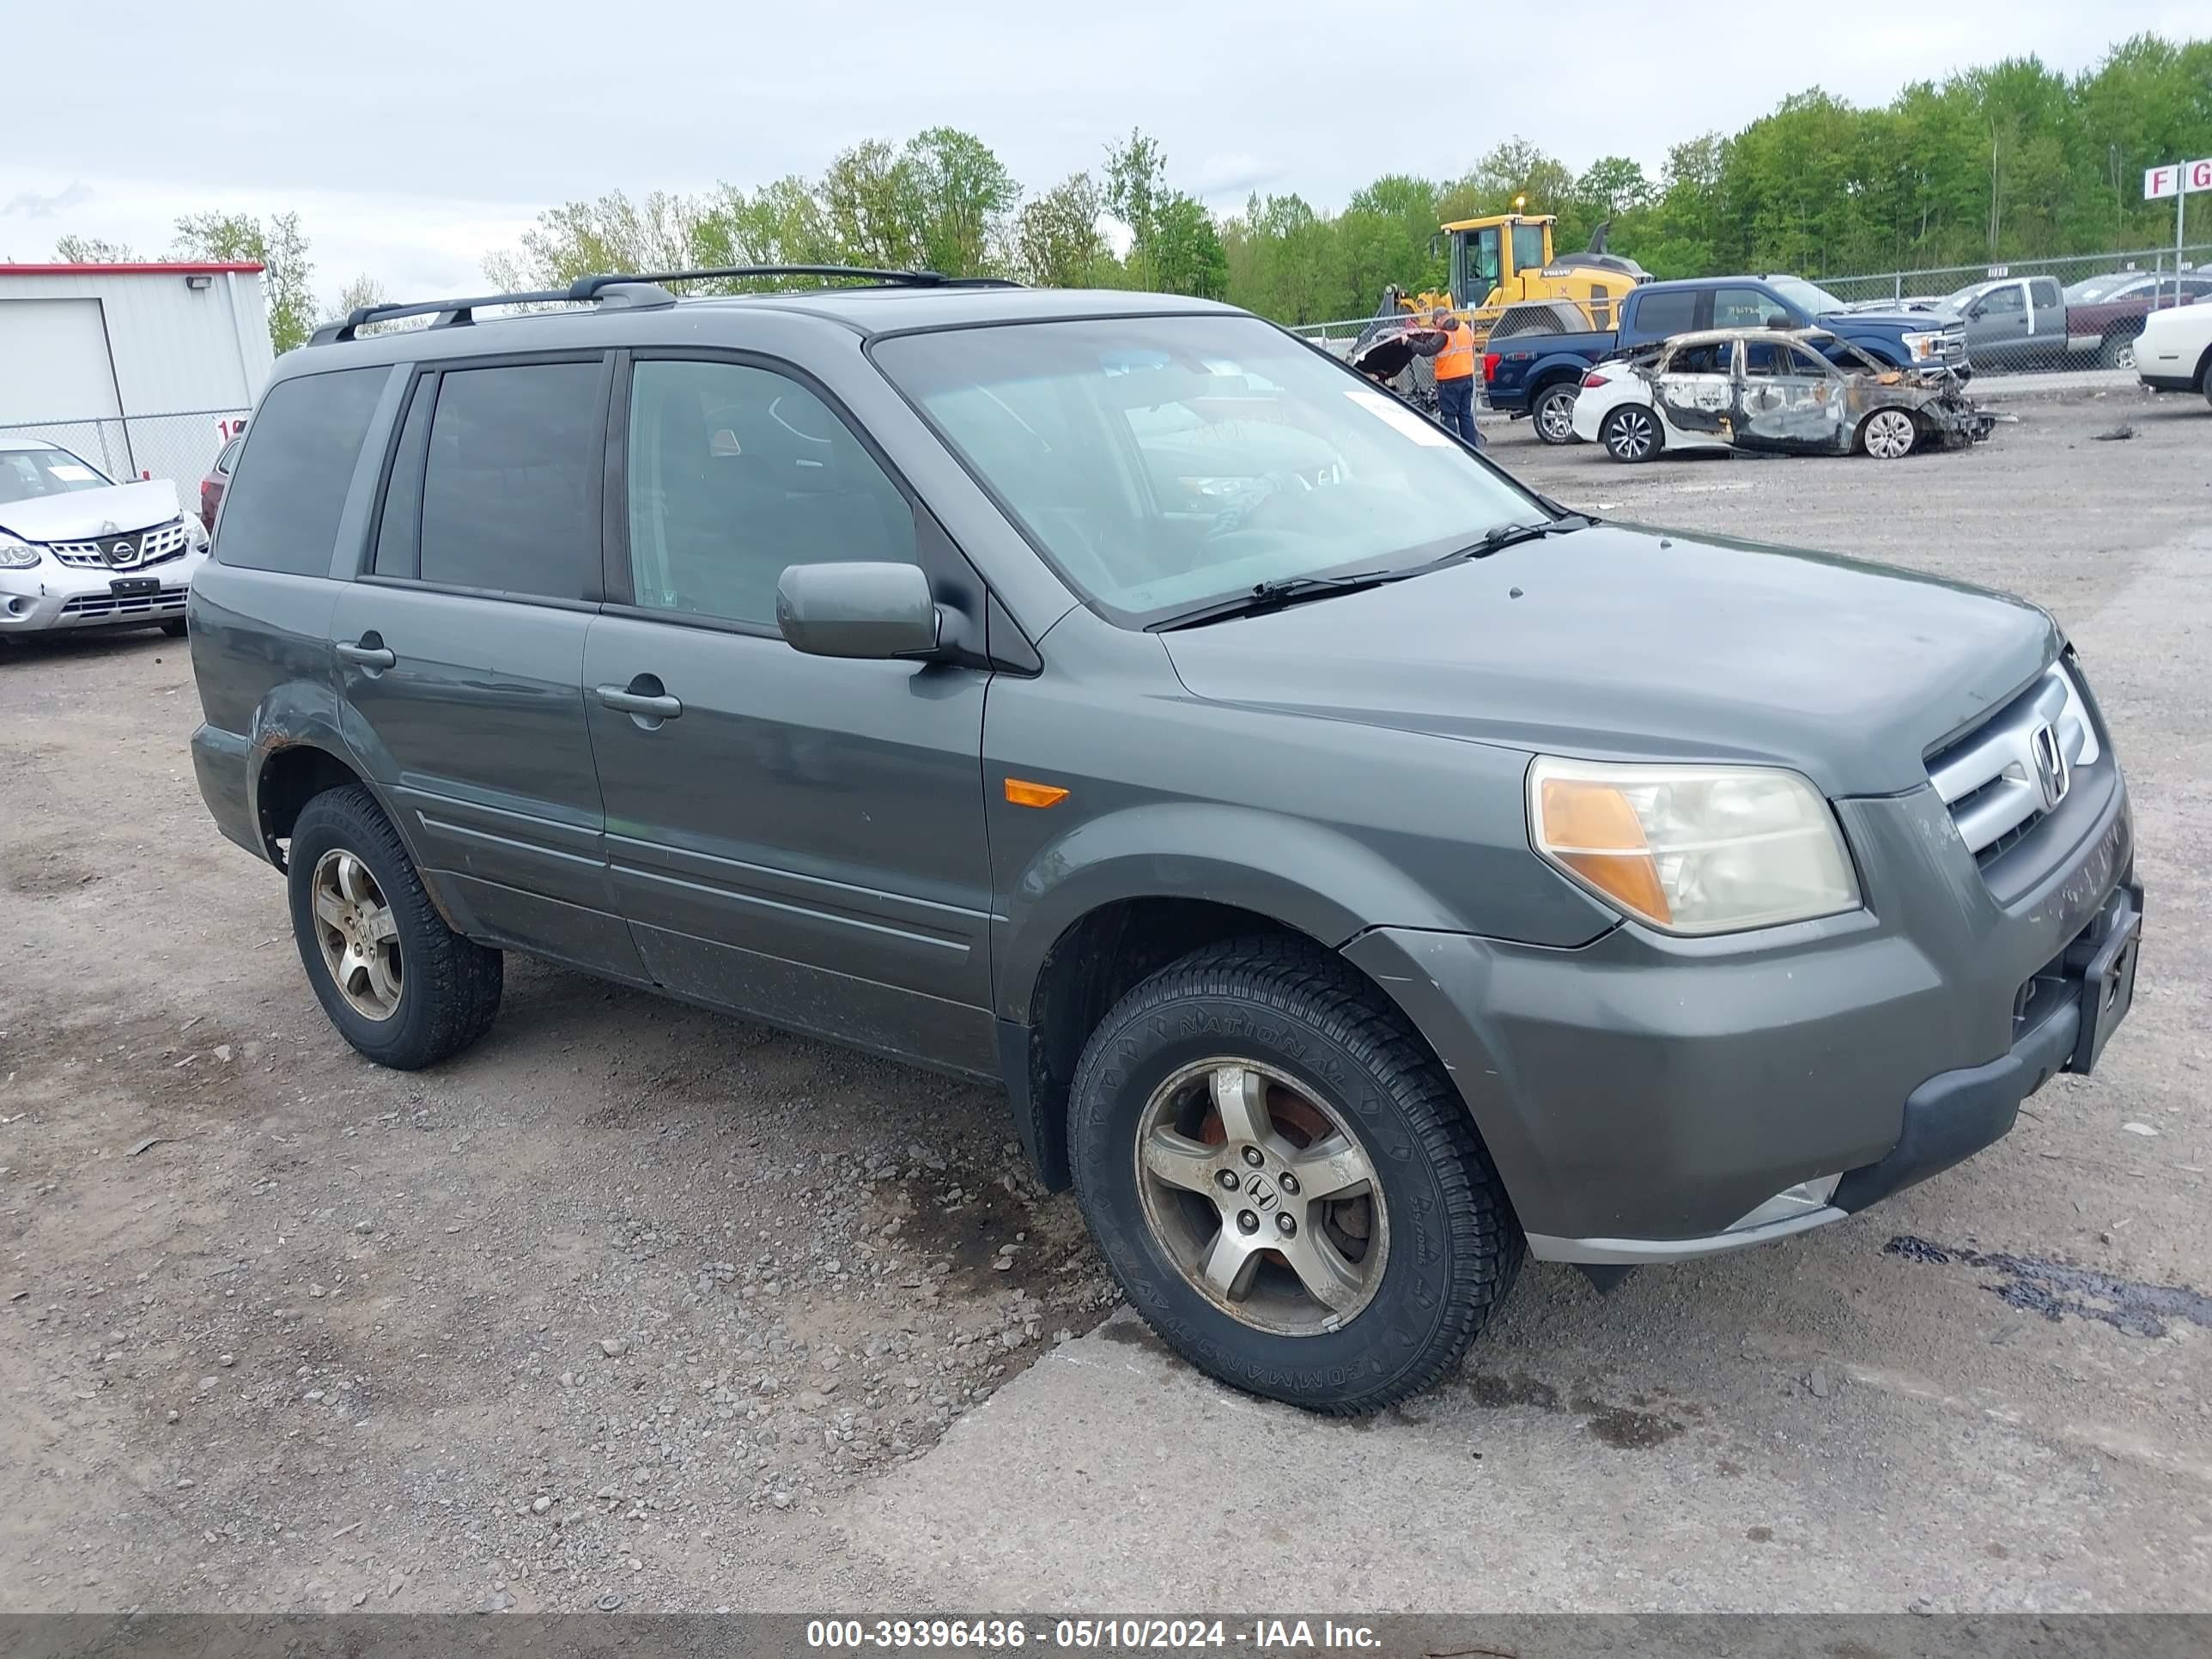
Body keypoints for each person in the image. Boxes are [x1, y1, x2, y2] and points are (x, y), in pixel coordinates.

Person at [1429, 307, 1485, 450]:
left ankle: (1453, 448)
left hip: (1449, 381)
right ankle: (1471, 449)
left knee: (1449, 417)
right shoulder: (1465, 328)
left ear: (1440, 318)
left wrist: (1408, 343)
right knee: (1465, 415)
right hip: (1466, 377)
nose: (1435, 326)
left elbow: (1427, 349)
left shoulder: (1443, 334)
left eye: (1435, 322)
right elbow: (1471, 343)